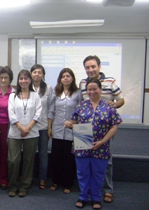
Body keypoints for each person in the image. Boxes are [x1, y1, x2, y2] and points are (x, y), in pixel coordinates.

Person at [65, 78, 122, 209]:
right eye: (89, 89)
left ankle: (96, 198)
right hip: (82, 144)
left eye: (95, 89)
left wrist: (103, 141)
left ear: (100, 90)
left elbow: (114, 127)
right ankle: (83, 196)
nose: (92, 92)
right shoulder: (81, 105)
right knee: (83, 172)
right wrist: (68, 124)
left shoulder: (108, 106)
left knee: (98, 173)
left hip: (101, 146)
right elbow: (74, 122)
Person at [79, 55, 125, 203]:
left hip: (104, 127)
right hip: (84, 127)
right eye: (87, 67)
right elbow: (81, 103)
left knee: (105, 161)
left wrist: (112, 106)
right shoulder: (82, 83)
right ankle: (88, 191)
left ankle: (107, 190)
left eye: (93, 66)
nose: (90, 70)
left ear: (99, 67)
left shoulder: (110, 81)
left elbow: (121, 100)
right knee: (85, 160)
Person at [7, 69, 42, 198]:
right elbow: (11, 113)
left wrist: (28, 128)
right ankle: (13, 186)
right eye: (21, 78)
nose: (23, 81)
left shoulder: (35, 96)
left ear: (30, 80)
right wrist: (21, 128)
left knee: (28, 161)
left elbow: (38, 113)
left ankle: (24, 186)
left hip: (31, 133)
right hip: (15, 132)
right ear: (18, 80)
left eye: (26, 78)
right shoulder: (12, 96)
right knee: (13, 160)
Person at [47, 68, 81, 193]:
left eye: (68, 76)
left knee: (69, 158)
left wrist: (75, 123)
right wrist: (49, 127)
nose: (66, 78)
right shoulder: (56, 93)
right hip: (57, 129)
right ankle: (56, 181)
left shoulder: (78, 93)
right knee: (56, 157)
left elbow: (81, 111)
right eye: (63, 76)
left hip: (72, 130)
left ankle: (68, 183)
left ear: (72, 78)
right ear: (60, 79)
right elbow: (51, 111)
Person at [0, 66, 14, 190]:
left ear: (10, 79)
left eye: (6, 78)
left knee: (6, 154)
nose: (3, 80)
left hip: (9, 127)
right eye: (1, 77)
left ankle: (4, 178)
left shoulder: (14, 93)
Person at [30, 64, 53, 189]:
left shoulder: (48, 88)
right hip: (30, 127)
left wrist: (50, 127)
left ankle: (42, 178)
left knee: (43, 154)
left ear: (43, 74)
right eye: (34, 72)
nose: (37, 74)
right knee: (30, 154)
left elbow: (51, 108)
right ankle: (29, 178)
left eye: (39, 72)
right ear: (31, 74)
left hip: (43, 126)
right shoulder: (26, 87)